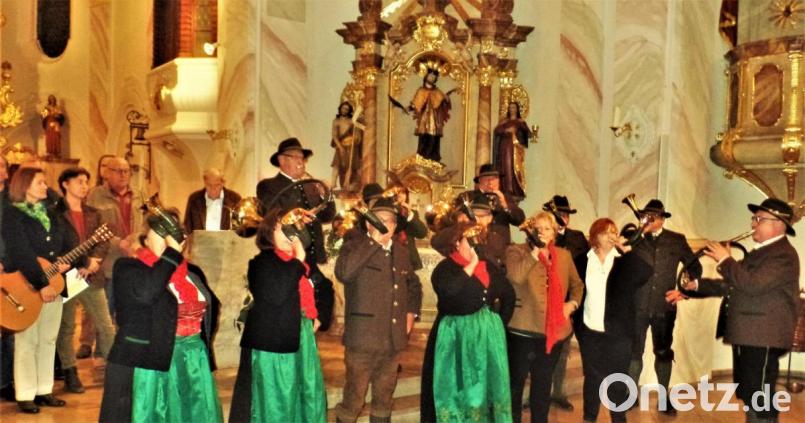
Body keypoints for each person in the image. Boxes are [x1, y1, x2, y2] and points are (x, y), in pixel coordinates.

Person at [671, 198, 799, 423]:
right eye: (754, 218)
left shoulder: (782, 254)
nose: (753, 224)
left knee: (760, 397)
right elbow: (734, 286)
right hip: (751, 334)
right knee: (752, 393)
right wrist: (695, 287)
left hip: (762, 335)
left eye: (759, 219)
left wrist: (726, 259)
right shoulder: (763, 252)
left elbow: (752, 284)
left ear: (778, 224)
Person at [99, 209, 222, 422]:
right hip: (143, 364)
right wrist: (172, 253)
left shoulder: (192, 273)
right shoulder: (128, 268)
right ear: (146, 238)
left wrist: (202, 353)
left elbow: (211, 309)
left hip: (191, 362)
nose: (168, 236)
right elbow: (148, 292)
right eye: (161, 231)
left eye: (173, 231)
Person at [229, 208, 327, 422]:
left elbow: (324, 288)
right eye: (282, 230)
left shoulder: (300, 264)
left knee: (306, 394)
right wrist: (298, 261)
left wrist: (316, 315)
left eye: (292, 231)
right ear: (269, 232)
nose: (288, 236)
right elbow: (278, 294)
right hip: (273, 345)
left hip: (301, 336)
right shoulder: (261, 263)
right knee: (277, 401)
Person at [334, 195, 422, 423]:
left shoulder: (402, 252)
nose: (385, 225)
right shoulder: (354, 245)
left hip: (392, 341)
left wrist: (411, 313)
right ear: (368, 223)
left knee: (384, 398)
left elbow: (413, 285)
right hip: (362, 339)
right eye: (379, 219)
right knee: (354, 398)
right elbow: (344, 273)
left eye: (390, 220)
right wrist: (373, 242)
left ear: (395, 225)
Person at [421, 222, 515, 422]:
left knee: (486, 388)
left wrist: (497, 323)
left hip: (486, 339)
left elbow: (509, 294)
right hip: (456, 337)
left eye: (478, 240)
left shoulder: (488, 266)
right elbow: (448, 291)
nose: (474, 245)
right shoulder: (445, 268)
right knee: (458, 389)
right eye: (469, 240)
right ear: (457, 243)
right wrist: (471, 265)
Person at [2, 167, 73, 413]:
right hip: (27, 284)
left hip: (53, 282)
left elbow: (63, 242)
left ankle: (45, 390)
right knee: (27, 341)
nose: (46, 186)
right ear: (25, 186)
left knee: (48, 338)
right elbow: (21, 252)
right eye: (40, 182)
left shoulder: (51, 213)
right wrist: (41, 283)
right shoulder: (12, 214)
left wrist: (66, 261)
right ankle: (25, 394)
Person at [505, 211, 583, 423]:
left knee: (542, 384)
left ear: (554, 233)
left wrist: (572, 304)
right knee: (515, 384)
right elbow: (516, 277)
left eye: (546, 229)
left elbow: (577, 285)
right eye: (537, 229)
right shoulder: (516, 251)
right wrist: (534, 253)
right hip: (522, 329)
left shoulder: (564, 256)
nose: (542, 232)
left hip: (554, 332)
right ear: (530, 232)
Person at [627, 199, 701, 415]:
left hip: (664, 307)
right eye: (646, 215)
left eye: (653, 216)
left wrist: (685, 290)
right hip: (637, 306)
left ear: (661, 219)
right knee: (634, 352)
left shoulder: (676, 240)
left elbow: (694, 266)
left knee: (663, 352)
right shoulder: (636, 238)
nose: (649, 219)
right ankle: (630, 394)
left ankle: (663, 398)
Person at [574, 218, 652, 423]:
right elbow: (573, 290)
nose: (612, 235)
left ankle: (619, 419)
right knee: (591, 380)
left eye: (614, 232)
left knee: (617, 382)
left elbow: (646, 273)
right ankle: (589, 418)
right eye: (606, 232)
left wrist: (627, 251)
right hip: (589, 331)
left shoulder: (624, 261)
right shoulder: (582, 260)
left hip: (618, 335)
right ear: (595, 235)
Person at [256, 137, 335, 332]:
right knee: (299, 295)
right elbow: (273, 212)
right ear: (282, 160)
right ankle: (298, 330)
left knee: (322, 291)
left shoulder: (309, 186)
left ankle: (310, 328)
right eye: (296, 157)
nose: (301, 162)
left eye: (303, 158)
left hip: (310, 253)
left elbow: (327, 216)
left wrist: (326, 194)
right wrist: (297, 213)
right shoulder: (268, 185)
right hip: (286, 253)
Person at [53, 167, 116, 393]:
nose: (84, 185)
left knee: (105, 324)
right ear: (65, 184)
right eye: (79, 181)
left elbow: (104, 240)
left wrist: (96, 260)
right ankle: (70, 373)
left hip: (90, 275)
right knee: (67, 327)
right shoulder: (55, 213)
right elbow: (56, 245)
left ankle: (115, 371)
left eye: (86, 181)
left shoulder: (93, 213)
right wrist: (81, 261)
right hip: (67, 276)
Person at [544, 195, 589, 412]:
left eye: (566, 214)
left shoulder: (578, 237)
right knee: (543, 349)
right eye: (559, 214)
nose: (563, 218)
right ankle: (541, 391)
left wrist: (574, 303)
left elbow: (583, 270)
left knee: (562, 350)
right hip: (545, 300)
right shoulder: (543, 235)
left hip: (570, 301)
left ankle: (558, 392)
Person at [87, 156, 143, 318]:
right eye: (118, 171)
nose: (123, 175)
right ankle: (95, 343)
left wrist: (137, 241)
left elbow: (147, 223)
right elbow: (91, 229)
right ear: (107, 173)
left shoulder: (139, 195)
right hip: (108, 264)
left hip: (135, 262)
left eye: (126, 171)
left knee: (129, 313)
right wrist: (119, 243)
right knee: (104, 313)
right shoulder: (95, 196)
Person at [464, 164, 525, 245]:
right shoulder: (468, 197)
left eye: (494, 178)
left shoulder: (505, 197)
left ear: (499, 180)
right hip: (477, 246)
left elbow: (520, 220)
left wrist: (505, 205)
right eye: (487, 179)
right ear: (479, 180)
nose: (490, 182)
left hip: (501, 248)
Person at [409, 68, 451, 163]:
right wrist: (409, 108)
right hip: (424, 121)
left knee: (434, 140)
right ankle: (422, 158)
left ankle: (433, 159)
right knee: (423, 139)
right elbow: (416, 103)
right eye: (430, 76)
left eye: (434, 77)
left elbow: (444, 103)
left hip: (435, 121)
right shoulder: (421, 91)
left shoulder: (438, 92)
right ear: (426, 76)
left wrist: (446, 100)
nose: (432, 78)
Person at [183, 168, 243, 232]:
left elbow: (239, 228)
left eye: (217, 185)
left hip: (226, 241)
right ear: (205, 183)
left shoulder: (235, 199)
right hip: (201, 241)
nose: (213, 188)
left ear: (223, 183)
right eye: (209, 185)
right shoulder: (194, 199)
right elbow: (187, 226)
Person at [492, 101, 531, 199]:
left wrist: (520, 129)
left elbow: (527, 134)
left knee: (513, 166)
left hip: (515, 148)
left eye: (513, 107)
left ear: (517, 109)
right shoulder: (504, 122)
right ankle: (505, 188)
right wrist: (506, 130)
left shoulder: (521, 122)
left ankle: (514, 189)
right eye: (510, 107)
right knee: (505, 166)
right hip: (505, 147)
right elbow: (497, 131)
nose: (512, 109)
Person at [331, 101, 363, 192]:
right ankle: (333, 183)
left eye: (347, 109)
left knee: (352, 165)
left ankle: (349, 183)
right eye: (343, 108)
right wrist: (340, 147)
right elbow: (334, 136)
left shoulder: (352, 121)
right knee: (336, 165)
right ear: (340, 109)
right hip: (341, 145)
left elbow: (357, 135)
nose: (344, 110)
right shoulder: (336, 121)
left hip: (351, 146)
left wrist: (355, 138)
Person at [40, 94, 65, 159]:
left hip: (56, 124)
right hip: (49, 123)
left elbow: (61, 116)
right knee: (50, 138)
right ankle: (50, 152)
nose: (52, 100)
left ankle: (57, 152)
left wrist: (56, 115)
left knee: (56, 137)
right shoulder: (47, 108)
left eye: (53, 99)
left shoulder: (58, 108)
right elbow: (43, 116)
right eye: (51, 99)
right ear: (49, 100)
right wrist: (48, 114)